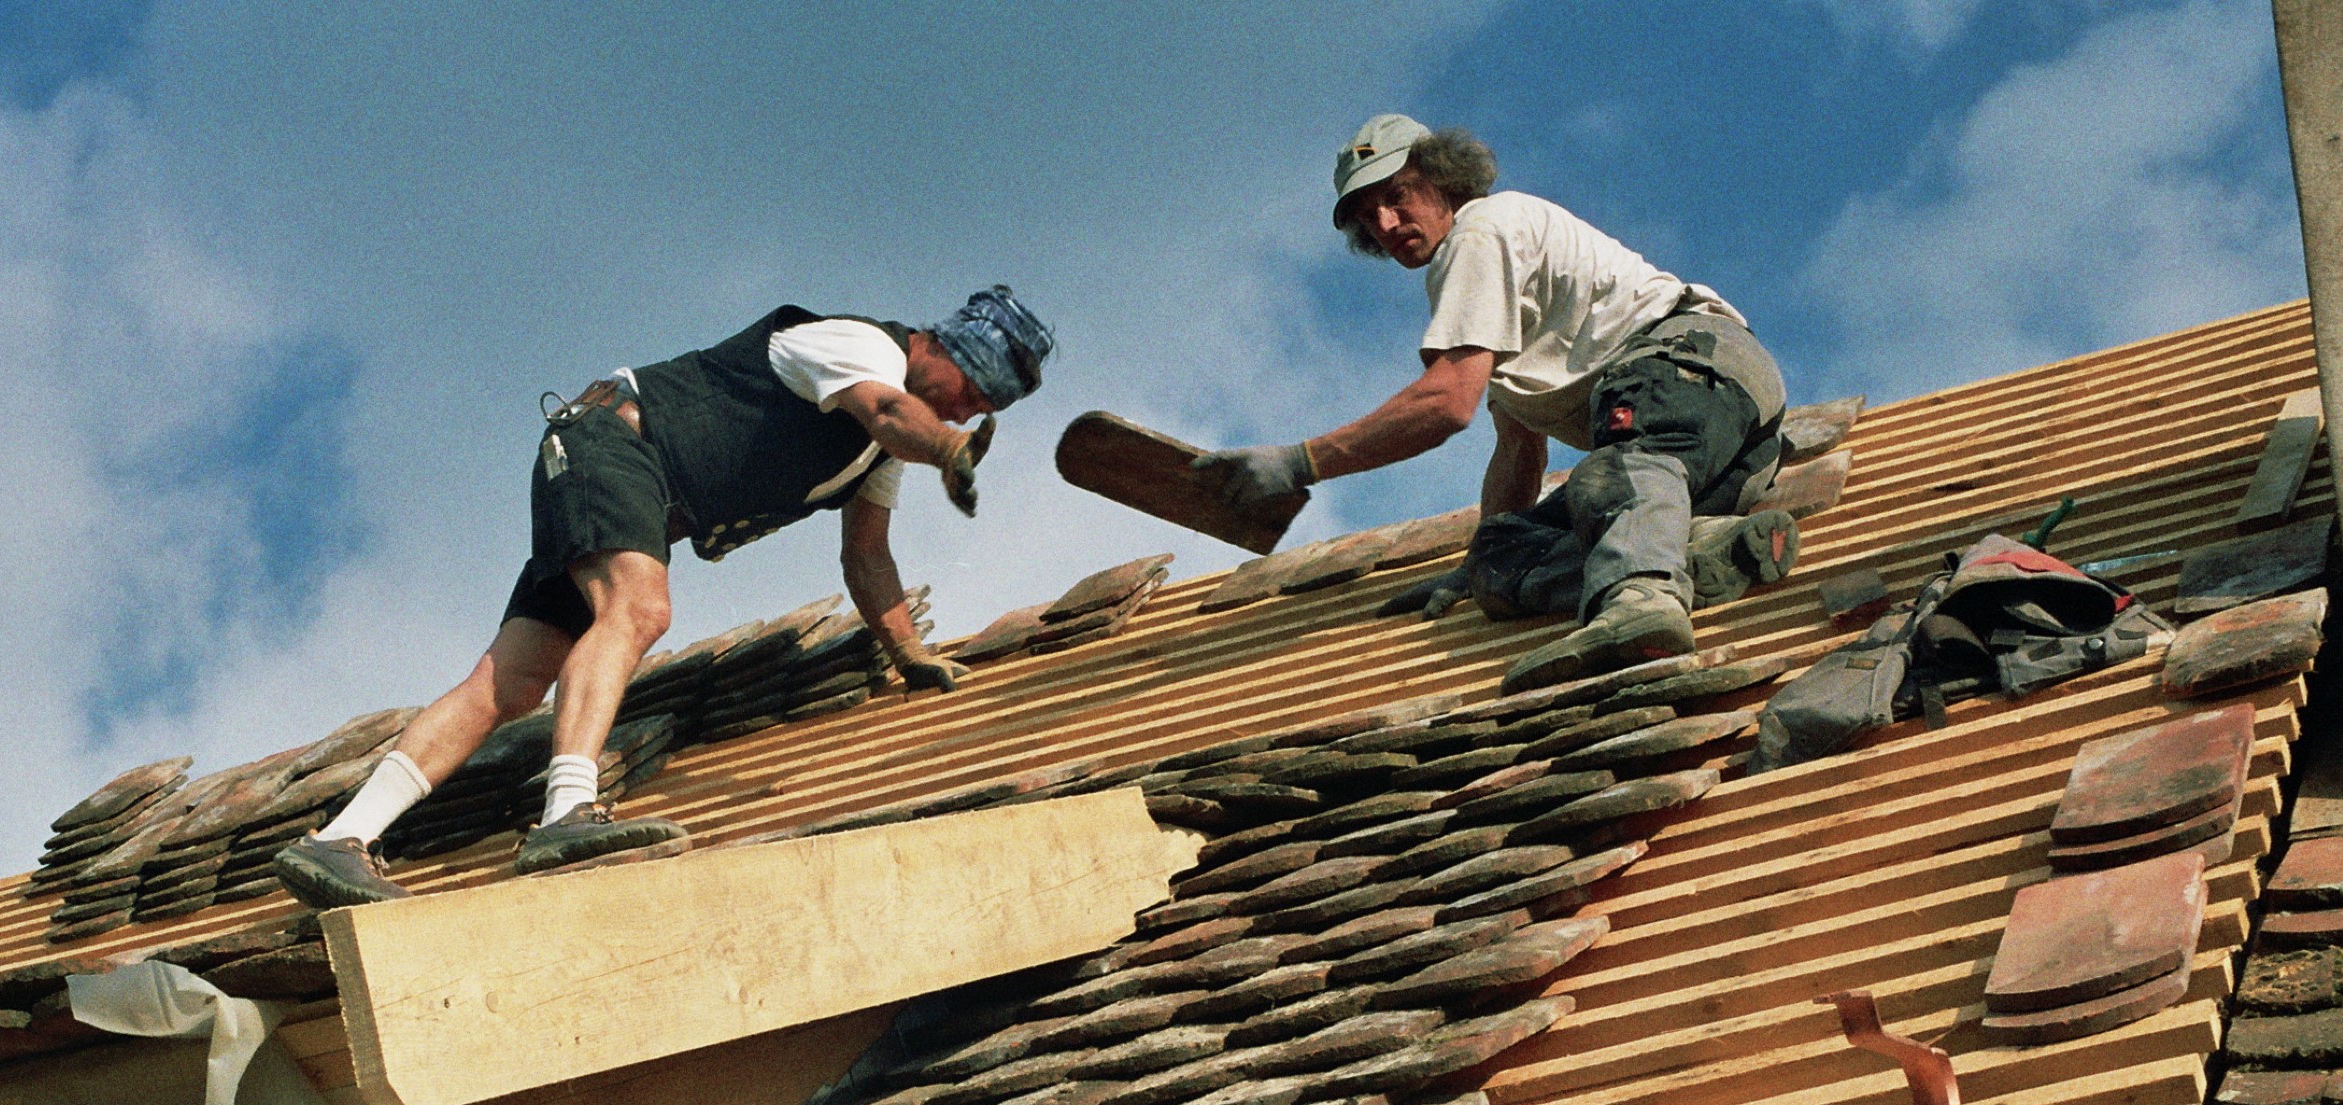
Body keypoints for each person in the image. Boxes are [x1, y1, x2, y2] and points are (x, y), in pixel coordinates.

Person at [276, 286, 1056, 906]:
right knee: (641, 608)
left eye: (982, 414)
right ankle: (566, 813)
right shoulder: (857, 348)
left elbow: (866, 553)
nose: (966, 412)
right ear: (939, 349)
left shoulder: (872, 453)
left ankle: (339, 836)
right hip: (610, 448)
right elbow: (891, 411)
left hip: (617, 494)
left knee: (511, 683)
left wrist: (910, 654)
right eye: (970, 393)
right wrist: (949, 449)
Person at [1193, 115, 1799, 692]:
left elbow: (1448, 402)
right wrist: (1477, 567)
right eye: (1366, 215)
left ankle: (1643, 599)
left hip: (1687, 371)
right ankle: (1692, 555)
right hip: (1718, 458)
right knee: (1502, 557)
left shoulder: (1481, 229)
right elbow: (1518, 446)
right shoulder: (1495, 295)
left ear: (1444, 179)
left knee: (1608, 473)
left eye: (1399, 194)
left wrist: (1299, 463)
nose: (1384, 221)